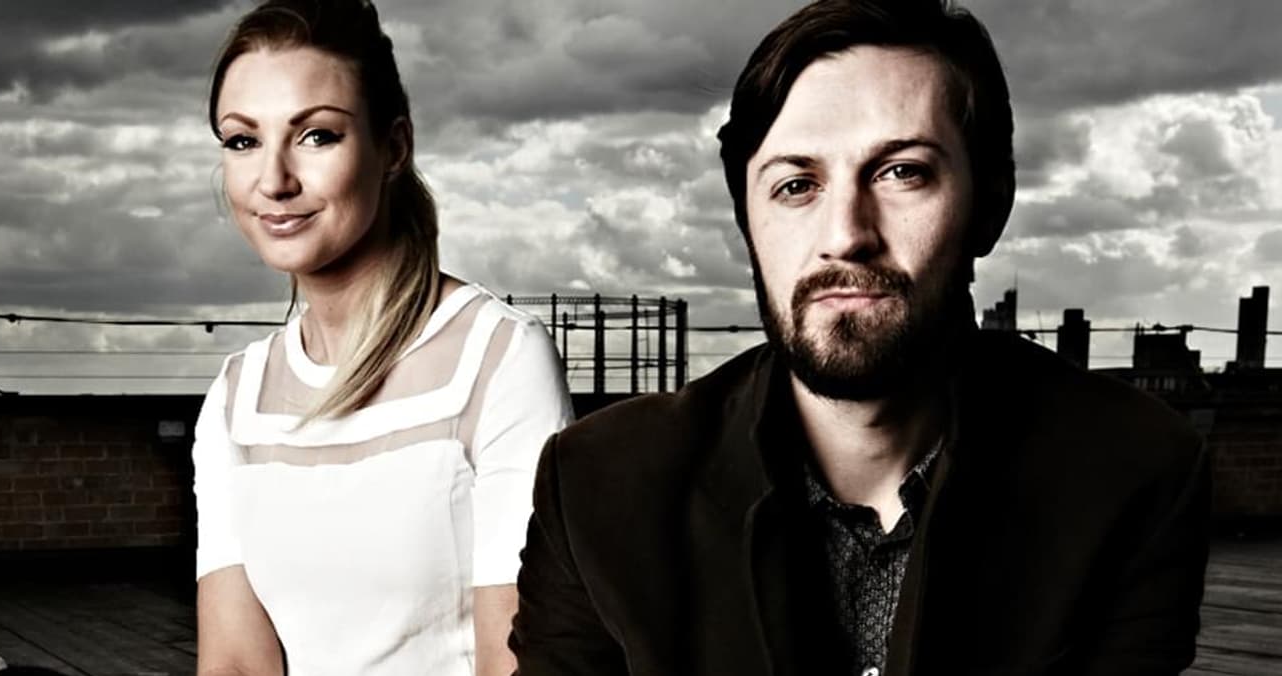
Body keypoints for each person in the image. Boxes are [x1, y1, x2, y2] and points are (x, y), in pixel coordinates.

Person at [509, 1, 1210, 674]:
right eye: (796, 185)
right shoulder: (600, 487)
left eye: (903, 172)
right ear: (747, 221)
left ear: (990, 204)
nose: (846, 235)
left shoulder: (1132, 473)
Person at [191, 1, 573, 674]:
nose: (274, 181)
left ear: (393, 148)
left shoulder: (497, 357)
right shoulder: (236, 396)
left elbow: (512, 661)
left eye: (317, 136)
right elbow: (236, 665)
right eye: (243, 141)